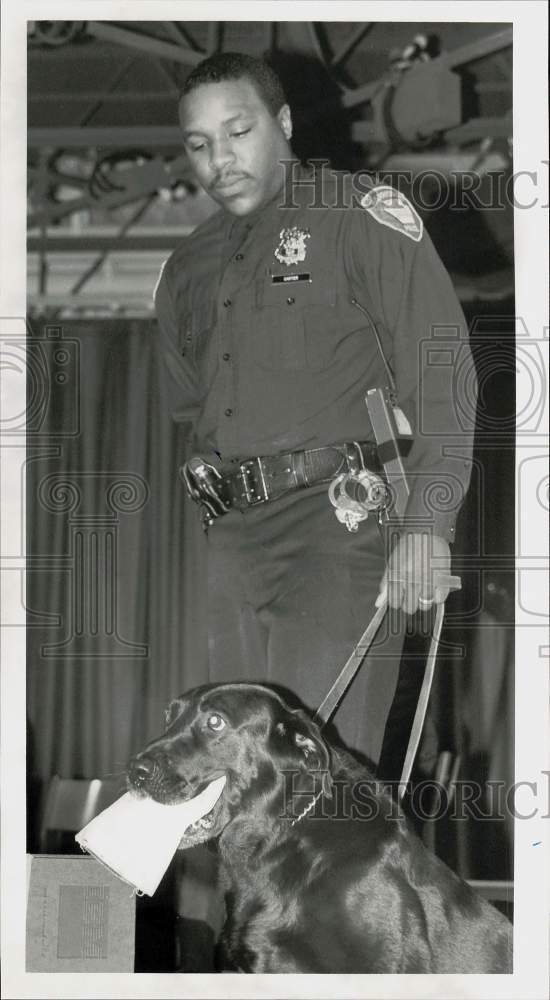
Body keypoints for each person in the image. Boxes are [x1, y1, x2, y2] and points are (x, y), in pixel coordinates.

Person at [153, 51, 476, 968]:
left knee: (321, 787)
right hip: (233, 541)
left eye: (240, 131)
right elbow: (191, 406)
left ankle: (360, 966)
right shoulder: (187, 266)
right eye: (199, 144)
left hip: (340, 527)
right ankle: (248, 963)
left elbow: (446, 376)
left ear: (286, 124)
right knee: (223, 777)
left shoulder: (357, 218)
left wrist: (428, 524)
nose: (220, 158)